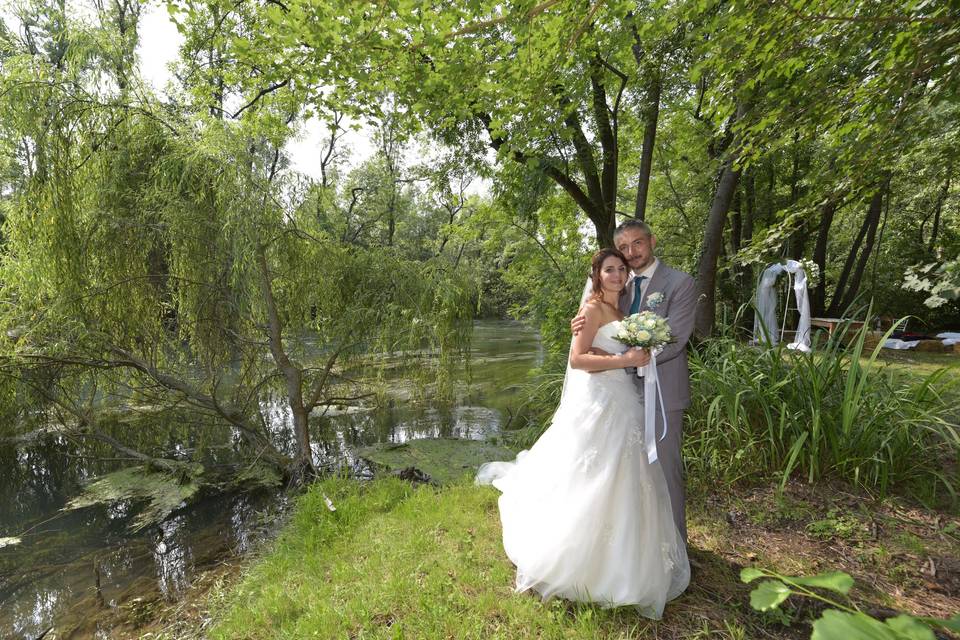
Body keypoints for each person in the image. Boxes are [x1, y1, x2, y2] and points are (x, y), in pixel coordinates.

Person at [476, 248, 690, 617]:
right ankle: (578, 559)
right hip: (599, 401)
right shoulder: (590, 310)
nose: (617, 275)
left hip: (623, 399)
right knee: (592, 471)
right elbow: (577, 358)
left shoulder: (624, 313)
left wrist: (640, 352)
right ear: (597, 275)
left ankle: (630, 560)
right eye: (610, 269)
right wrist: (625, 359)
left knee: (629, 475)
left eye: (621, 269)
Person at [572, 220, 696, 543]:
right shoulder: (618, 287)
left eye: (637, 243)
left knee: (665, 472)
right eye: (624, 247)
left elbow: (677, 338)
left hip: (664, 393)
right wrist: (585, 325)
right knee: (628, 476)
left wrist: (627, 357)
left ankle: (676, 549)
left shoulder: (680, 283)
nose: (631, 252)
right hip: (620, 397)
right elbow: (599, 330)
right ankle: (638, 547)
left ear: (652, 240)